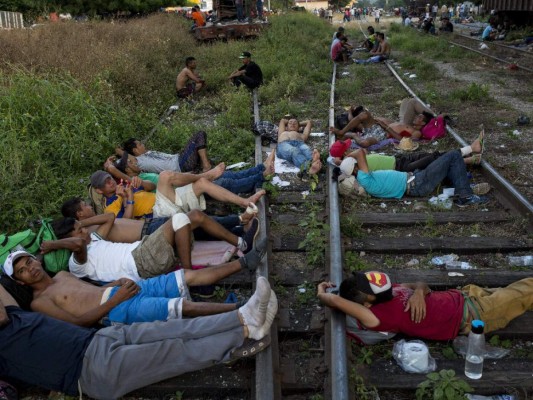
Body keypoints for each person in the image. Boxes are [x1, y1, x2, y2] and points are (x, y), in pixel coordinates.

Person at [0, 277, 277, 398]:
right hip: (90, 372)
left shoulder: (13, 315)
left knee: (175, 329)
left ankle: (242, 317)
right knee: (174, 351)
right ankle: (245, 333)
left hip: (98, 338)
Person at [4, 249, 272, 328]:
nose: (30, 268)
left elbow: (91, 289)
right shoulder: (39, 302)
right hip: (115, 310)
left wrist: (116, 283)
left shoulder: (61, 274)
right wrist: (115, 299)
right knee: (179, 307)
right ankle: (242, 310)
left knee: (183, 276)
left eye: (29, 261)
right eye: (23, 270)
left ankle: (244, 263)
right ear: (20, 281)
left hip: (122, 291)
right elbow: (78, 321)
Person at [41, 212, 265, 281]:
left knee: (194, 216)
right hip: (140, 263)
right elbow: (78, 243)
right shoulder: (77, 263)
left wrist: (81, 224)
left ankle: (241, 243)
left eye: (83, 229)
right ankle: (187, 273)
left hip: (146, 248)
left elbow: (108, 217)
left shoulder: (95, 240)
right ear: (68, 242)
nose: (84, 233)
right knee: (179, 220)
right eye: (79, 231)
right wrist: (53, 243)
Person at [317, 271, 533, 342]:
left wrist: (419, 293)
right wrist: (321, 291)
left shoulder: (388, 292)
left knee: (523, 292)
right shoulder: (374, 317)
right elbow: (334, 301)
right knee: (527, 289)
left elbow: (421, 284)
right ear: (365, 304)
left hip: (467, 294)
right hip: (476, 314)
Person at [335, 146, 489, 206]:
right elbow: (361, 151)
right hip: (417, 183)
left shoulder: (364, 178)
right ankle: (466, 196)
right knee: (454, 154)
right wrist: (350, 156)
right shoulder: (364, 178)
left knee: (448, 163)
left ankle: (464, 190)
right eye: (356, 163)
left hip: (415, 179)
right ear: (355, 168)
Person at [61, 197, 257, 243]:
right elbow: (111, 216)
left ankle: (238, 230)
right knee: (197, 220)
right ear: (79, 215)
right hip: (149, 233)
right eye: (84, 205)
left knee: (196, 229)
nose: (89, 205)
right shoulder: (89, 230)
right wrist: (81, 225)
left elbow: (118, 219)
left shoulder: (94, 222)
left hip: (149, 225)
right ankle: (238, 220)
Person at [90, 168, 265, 220]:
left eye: (109, 178)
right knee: (166, 175)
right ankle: (205, 174)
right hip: (157, 215)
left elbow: (152, 186)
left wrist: (140, 182)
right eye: (106, 182)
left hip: (164, 200)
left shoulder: (124, 186)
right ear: (99, 191)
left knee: (202, 184)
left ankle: (244, 201)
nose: (110, 182)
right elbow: (125, 224)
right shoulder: (109, 209)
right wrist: (127, 198)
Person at [109, 143, 276, 195]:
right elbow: (157, 184)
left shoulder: (144, 172)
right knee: (225, 181)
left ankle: (262, 168)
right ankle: (263, 174)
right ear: (128, 171)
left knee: (228, 175)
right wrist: (111, 169)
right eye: (130, 163)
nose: (134, 163)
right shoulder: (138, 181)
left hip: (186, 182)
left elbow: (174, 176)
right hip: (184, 191)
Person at [117, 132, 211, 174]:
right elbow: (120, 153)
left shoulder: (147, 153)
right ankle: (206, 167)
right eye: (140, 144)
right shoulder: (138, 160)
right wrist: (119, 151)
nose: (143, 145)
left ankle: (203, 167)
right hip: (180, 165)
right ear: (135, 151)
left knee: (197, 145)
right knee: (199, 135)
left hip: (179, 159)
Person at [330, 106, 405, 147]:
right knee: (349, 136)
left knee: (363, 142)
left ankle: (341, 133)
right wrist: (349, 112)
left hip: (377, 135)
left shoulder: (371, 122)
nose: (365, 112)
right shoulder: (361, 126)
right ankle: (341, 134)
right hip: (370, 133)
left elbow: (401, 139)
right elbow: (352, 119)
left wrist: (385, 127)